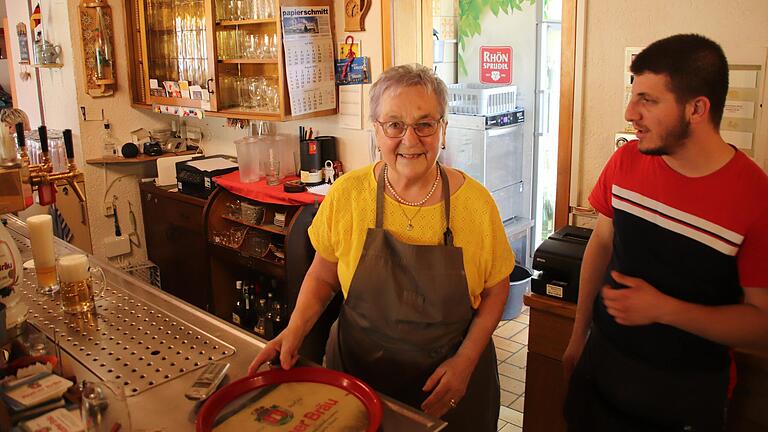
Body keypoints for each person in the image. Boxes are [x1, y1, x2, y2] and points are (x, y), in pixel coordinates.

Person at [250, 64, 515, 431]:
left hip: (447, 386)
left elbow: (497, 289)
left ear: (443, 129)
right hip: (359, 380)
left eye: (425, 124)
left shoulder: (476, 205)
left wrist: (466, 362)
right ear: (376, 130)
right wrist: (293, 331)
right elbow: (324, 274)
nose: (410, 140)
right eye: (394, 124)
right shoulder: (348, 194)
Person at [562, 34, 768, 431]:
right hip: (600, 371)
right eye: (632, 95)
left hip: (683, 397)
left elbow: (762, 325)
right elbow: (602, 244)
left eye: (648, 100)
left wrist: (664, 309)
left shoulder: (755, 198)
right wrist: (578, 334)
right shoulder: (625, 162)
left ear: (696, 109)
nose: (629, 112)